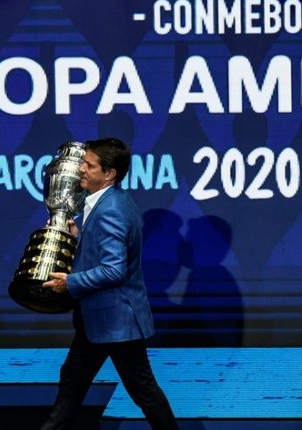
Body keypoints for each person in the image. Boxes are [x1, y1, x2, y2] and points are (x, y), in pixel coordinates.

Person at [41, 138, 179, 430]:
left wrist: (71, 282)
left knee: (143, 391)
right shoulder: (111, 200)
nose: (80, 169)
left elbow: (114, 269)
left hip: (116, 322)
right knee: (72, 383)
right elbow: (106, 252)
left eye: (89, 165)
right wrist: (80, 238)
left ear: (109, 173)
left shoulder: (111, 208)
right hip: (101, 320)